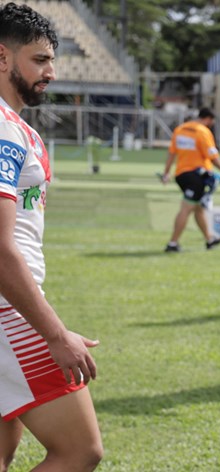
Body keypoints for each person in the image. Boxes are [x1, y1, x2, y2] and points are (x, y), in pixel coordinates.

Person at [0, 3, 103, 470]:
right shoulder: (4, 130)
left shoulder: (18, 127)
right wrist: (55, 334)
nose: (51, 72)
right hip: (8, 312)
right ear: (3, 58)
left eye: (52, 61)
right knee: (81, 451)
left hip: (13, 308)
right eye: (39, 60)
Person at [160, 107, 220, 253]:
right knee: (186, 208)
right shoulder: (202, 132)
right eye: (211, 122)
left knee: (198, 208)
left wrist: (166, 173)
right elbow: (213, 156)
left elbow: (171, 154)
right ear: (208, 119)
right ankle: (172, 243)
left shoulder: (180, 129)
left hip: (181, 174)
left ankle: (209, 239)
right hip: (196, 176)